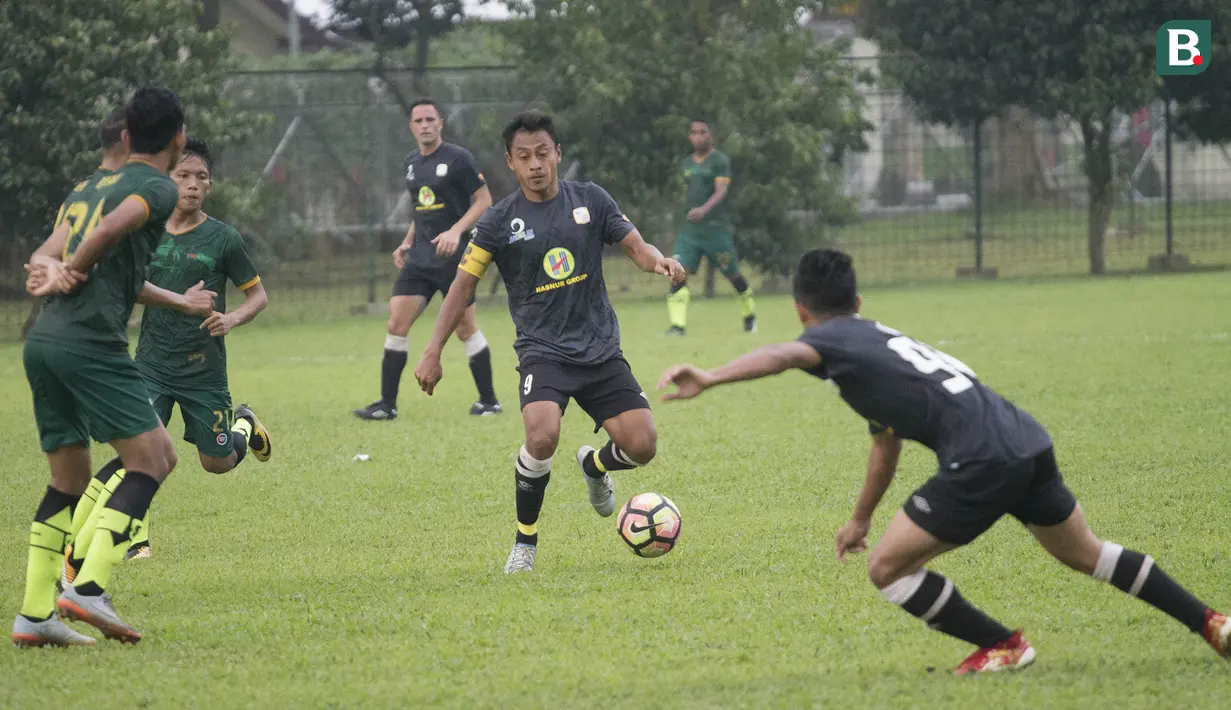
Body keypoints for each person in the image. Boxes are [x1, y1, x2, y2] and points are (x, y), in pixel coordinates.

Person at [657, 248, 1231, 674]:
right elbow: (886, 443)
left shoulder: (832, 343)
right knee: (1086, 553)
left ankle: (1005, 644)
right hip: (1026, 439)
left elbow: (784, 355)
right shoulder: (873, 340)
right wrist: (859, 518)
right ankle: (1211, 623)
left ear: (800, 309)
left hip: (981, 461)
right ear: (858, 302)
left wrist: (711, 375)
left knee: (886, 569)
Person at [413, 110, 685, 573]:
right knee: (541, 436)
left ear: (558, 154)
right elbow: (463, 284)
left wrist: (661, 262)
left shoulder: (591, 200)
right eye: (524, 157)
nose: (535, 164)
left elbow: (637, 247)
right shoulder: (499, 221)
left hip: (600, 348)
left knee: (643, 446)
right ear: (511, 163)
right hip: (543, 351)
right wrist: (433, 349)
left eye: (543, 153)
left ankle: (595, 466)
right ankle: (525, 543)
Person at [13, 87, 188, 647]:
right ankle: (87, 586)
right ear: (178, 139)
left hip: (44, 340)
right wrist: (72, 269)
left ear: (129, 135)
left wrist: (48, 268)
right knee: (155, 457)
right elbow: (110, 231)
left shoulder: (89, 186)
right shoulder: (156, 186)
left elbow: (46, 250)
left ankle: (35, 614)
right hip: (89, 342)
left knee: (69, 479)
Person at [62, 137, 271, 578]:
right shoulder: (146, 232)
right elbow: (129, 284)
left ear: (210, 187)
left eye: (202, 178)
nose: (193, 185)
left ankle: (244, 423)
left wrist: (231, 319)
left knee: (216, 463)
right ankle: (132, 540)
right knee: (139, 452)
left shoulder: (224, 238)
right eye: (184, 175)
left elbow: (259, 295)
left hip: (204, 370)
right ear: (168, 179)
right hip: (151, 365)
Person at [354, 98, 499, 421]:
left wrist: (455, 232)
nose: (424, 125)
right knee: (396, 323)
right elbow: (421, 209)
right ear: (411, 127)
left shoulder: (459, 158)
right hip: (420, 258)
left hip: (454, 259)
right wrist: (406, 242)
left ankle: (489, 401)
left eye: (430, 119)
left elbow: (484, 201)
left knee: (464, 328)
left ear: (440, 123)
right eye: (418, 121)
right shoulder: (411, 163)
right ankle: (387, 405)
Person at [665, 118, 756, 336]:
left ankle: (750, 316)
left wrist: (704, 210)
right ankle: (677, 326)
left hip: (715, 230)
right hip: (690, 231)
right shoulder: (685, 163)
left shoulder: (719, 160)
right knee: (676, 271)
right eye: (694, 132)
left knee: (732, 273)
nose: (698, 136)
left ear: (710, 135)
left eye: (702, 132)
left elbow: (721, 191)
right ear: (689, 136)